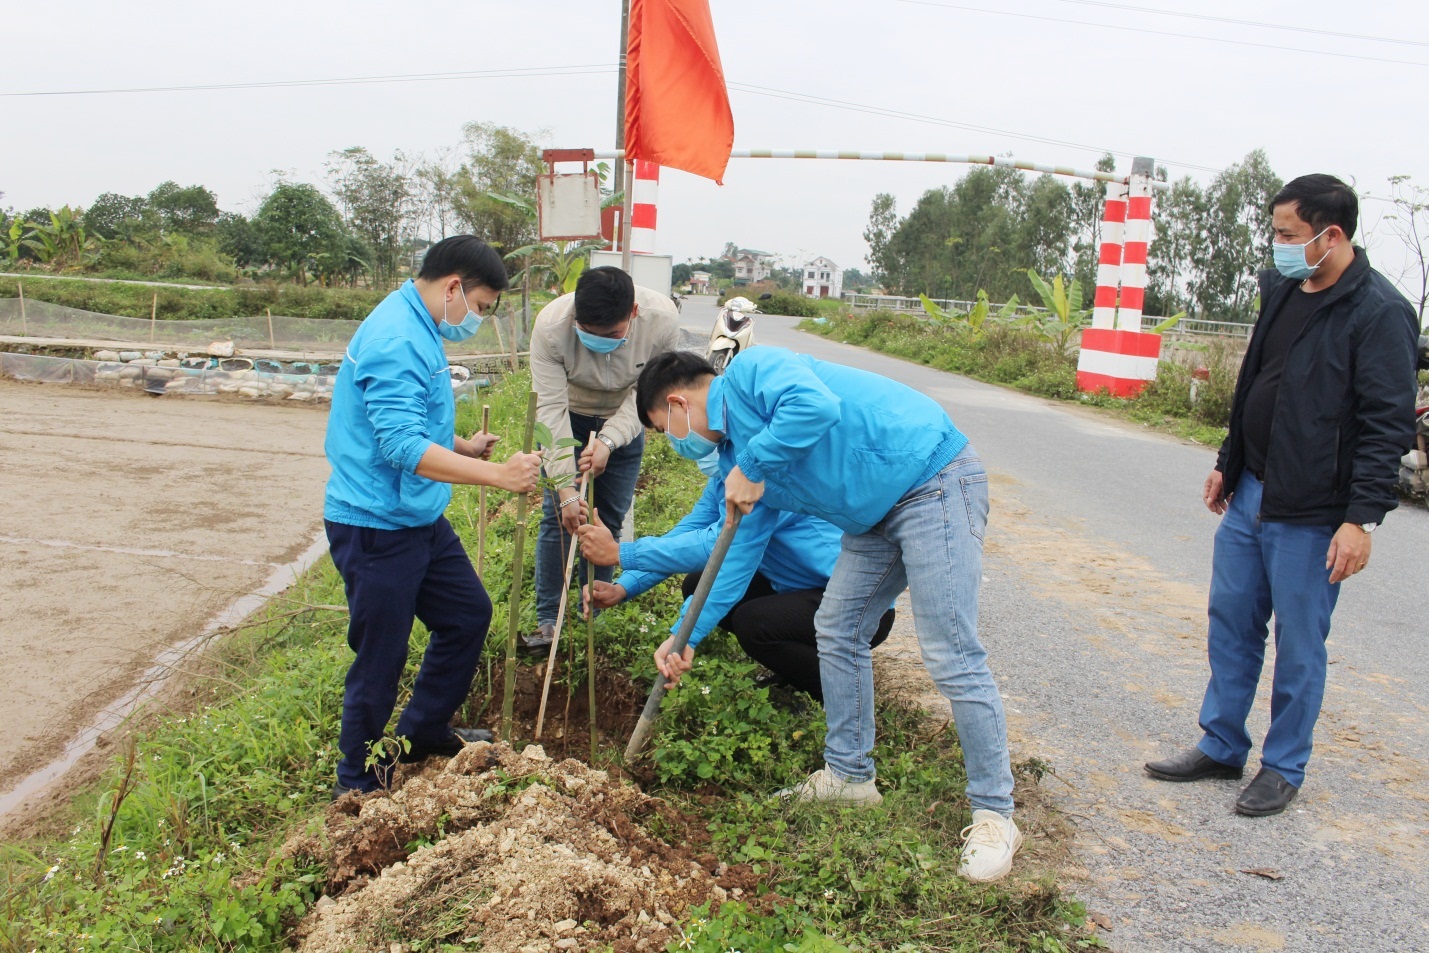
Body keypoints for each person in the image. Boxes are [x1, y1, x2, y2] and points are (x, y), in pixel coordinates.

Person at [635, 347, 1021, 883]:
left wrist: (752, 465)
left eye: (664, 427)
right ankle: (850, 776)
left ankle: (994, 814)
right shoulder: (733, 462)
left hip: (933, 481)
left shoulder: (752, 374)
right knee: (837, 629)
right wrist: (686, 637)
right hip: (873, 519)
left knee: (951, 653)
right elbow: (735, 559)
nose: (675, 441)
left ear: (677, 403)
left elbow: (815, 406)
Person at [1145, 174, 1419, 817]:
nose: (1278, 246)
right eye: (1275, 233)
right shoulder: (1283, 288)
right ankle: (1221, 744)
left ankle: (1283, 765)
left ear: (1332, 235)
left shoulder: (1380, 313)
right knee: (1232, 622)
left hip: (1315, 512)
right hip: (1252, 495)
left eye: (1288, 235)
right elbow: (1256, 383)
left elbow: (1387, 425)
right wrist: (1228, 463)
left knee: (1299, 642)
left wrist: (1362, 522)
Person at [323, 236, 543, 797]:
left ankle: (421, 732)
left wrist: (463, 446)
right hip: (375, 525)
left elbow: (409, 419)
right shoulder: (395, 337)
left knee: (467, 614)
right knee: (381, 656)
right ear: (453, 287)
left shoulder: (417, 323)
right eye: (483, 307)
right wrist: (498, 476)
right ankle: (359, 784)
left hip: (414, 516)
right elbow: (399, 444)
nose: (480, 319)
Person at [576, 452, 896, 702]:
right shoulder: (724, 479)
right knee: (696, 584)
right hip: (798, 588)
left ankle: (839, 692)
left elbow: (717, 546)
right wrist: (623, 587)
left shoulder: (764, 483)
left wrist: (621, 553)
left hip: (854, 602)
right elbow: (686, 534)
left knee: (754, 623)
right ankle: (797, 668)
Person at [524, 266, 681, 654]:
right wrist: (563, 485)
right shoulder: (550, 326)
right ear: (576, 316)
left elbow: (648, 392)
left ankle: (593, 609)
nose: (598, 344)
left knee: (606, 517)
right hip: (570, 416)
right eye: (588, 334)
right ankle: (549, 618)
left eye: (611, 336)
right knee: (561, 516)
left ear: (633, 312)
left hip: (627, 417)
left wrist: (610, 440)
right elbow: (550, 408)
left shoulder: (662, 320)